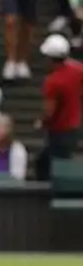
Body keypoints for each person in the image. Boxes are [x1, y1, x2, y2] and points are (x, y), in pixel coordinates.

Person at [35, 33, 83, 180]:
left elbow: (50, 111)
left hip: (60, 130)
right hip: (74, 126)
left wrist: (41, 122)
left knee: (54, 165)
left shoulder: (53, 81)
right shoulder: (78, 70)